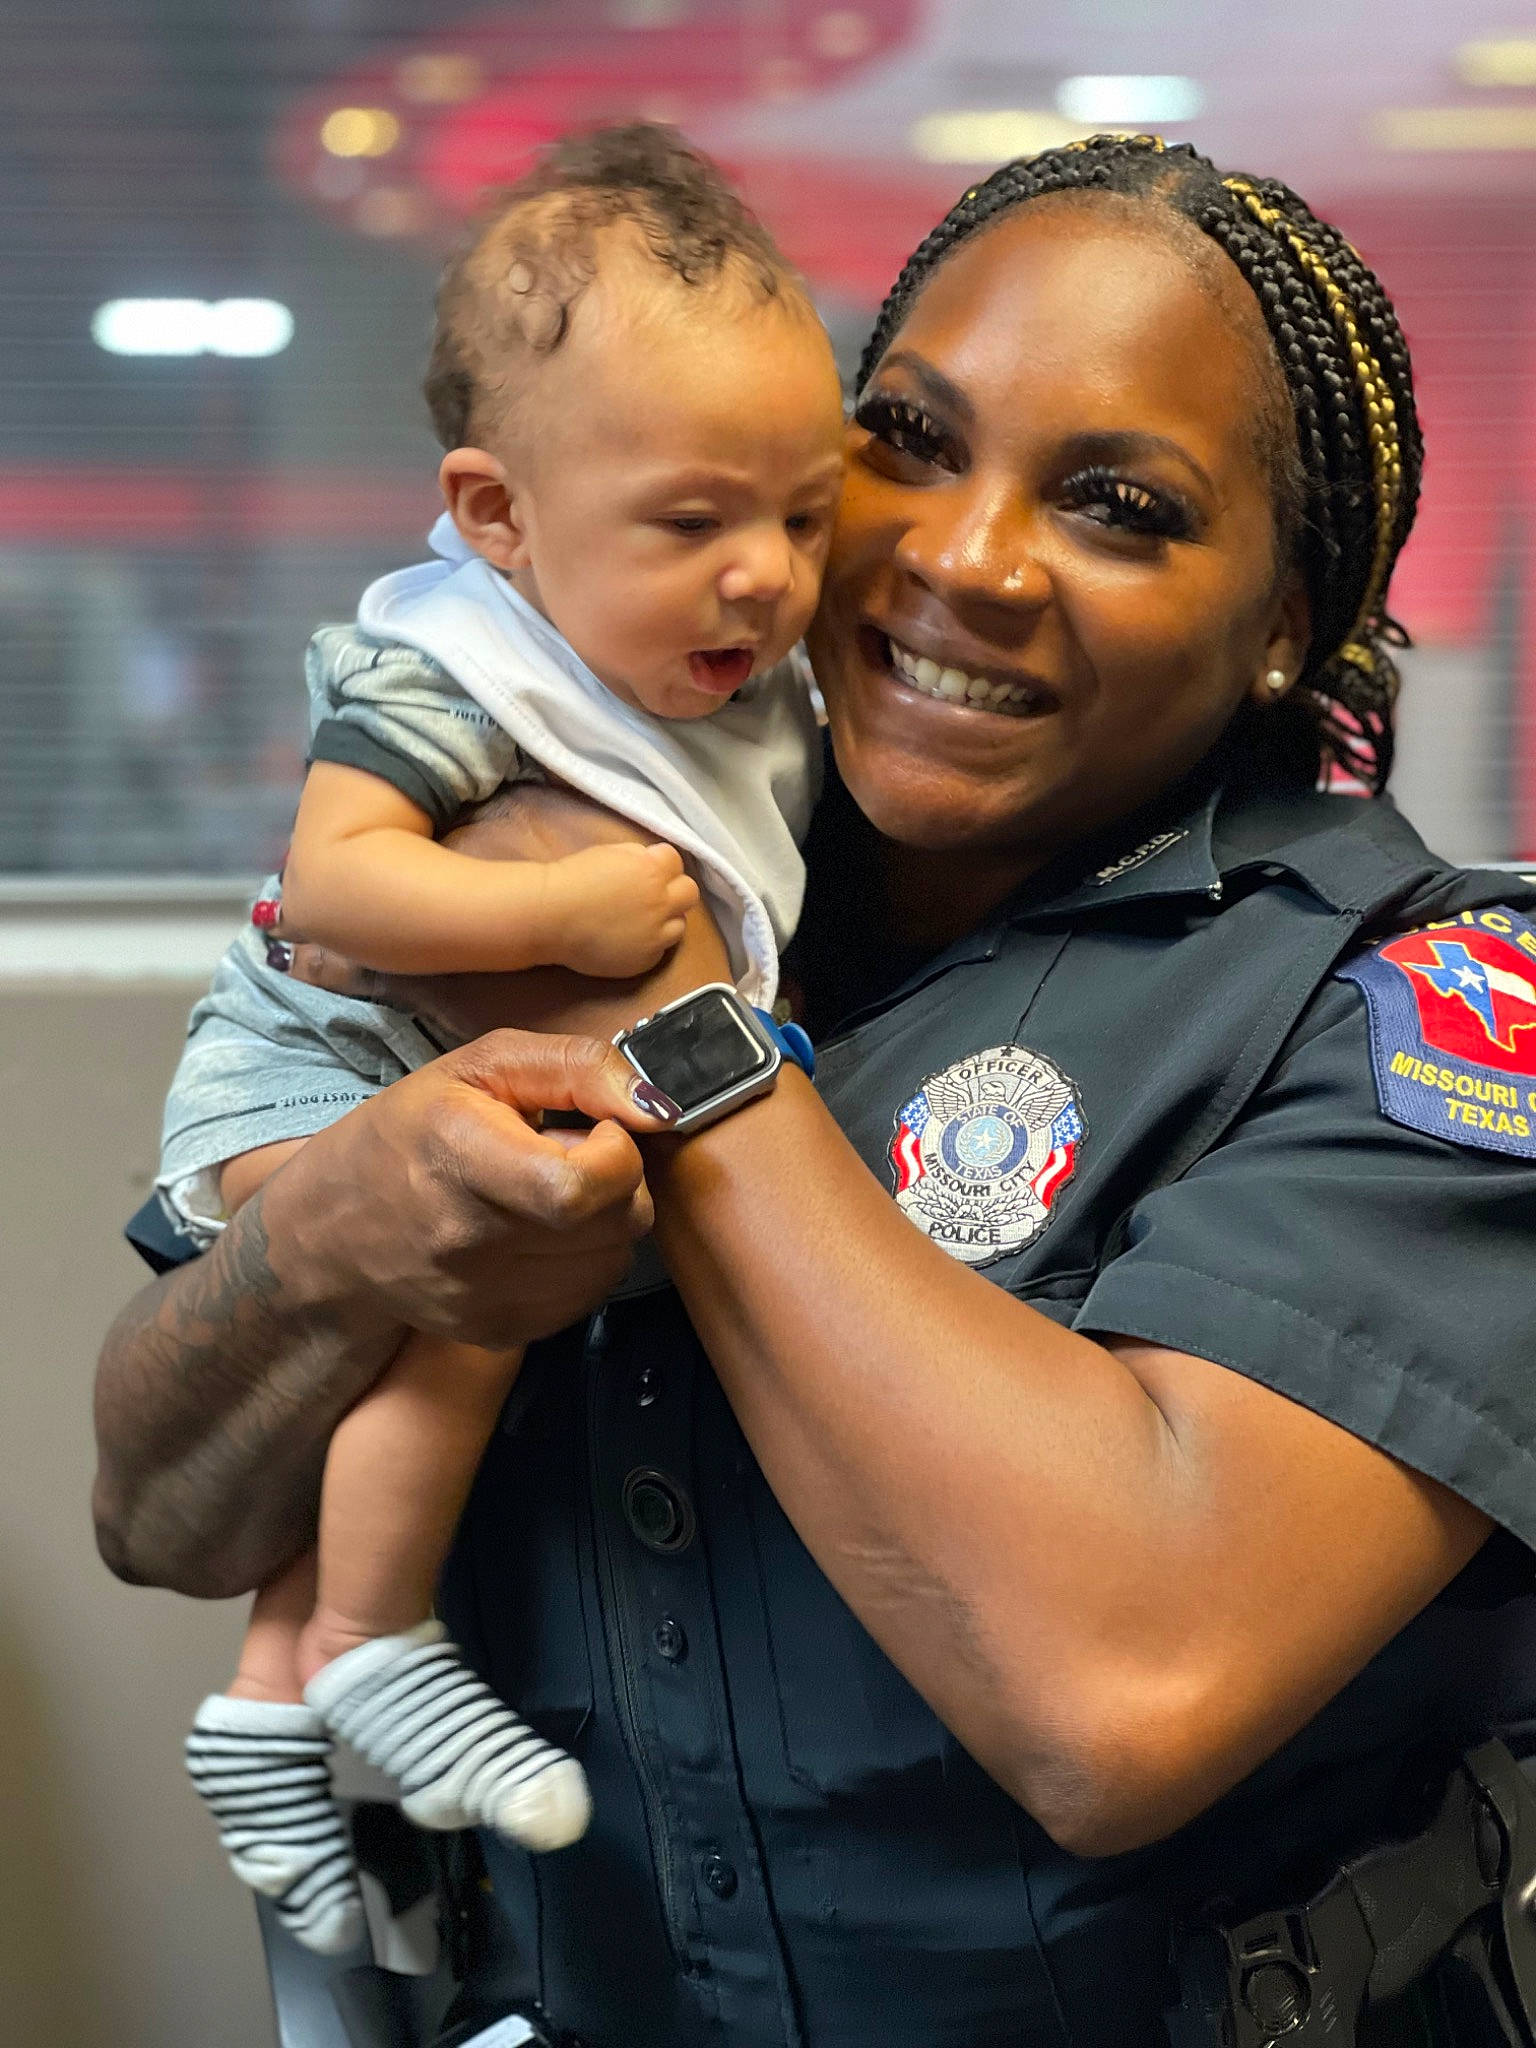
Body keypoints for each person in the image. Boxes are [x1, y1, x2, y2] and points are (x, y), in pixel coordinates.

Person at [95, 134, 1536, 2048]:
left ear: (1290, 616)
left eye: (1117, 503)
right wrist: (331, 1249)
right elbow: (161, 1512)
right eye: (911, 442)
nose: (961, 555)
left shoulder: (1424, 1006)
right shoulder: (638, 823)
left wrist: (669, 1009)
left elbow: (1118, 1701)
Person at [172, 123, 844, 1956]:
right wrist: (555, 918)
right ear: (496, 518)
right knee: (490, 1266)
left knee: (449, 1301)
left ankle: (264, 1712)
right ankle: (375, 1640)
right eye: (695, 521)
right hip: (305, 1074)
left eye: (804, 513)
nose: (766, 578)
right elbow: (333, 890)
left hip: (398, 1076)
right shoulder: (451, 671)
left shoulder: (701, 682)